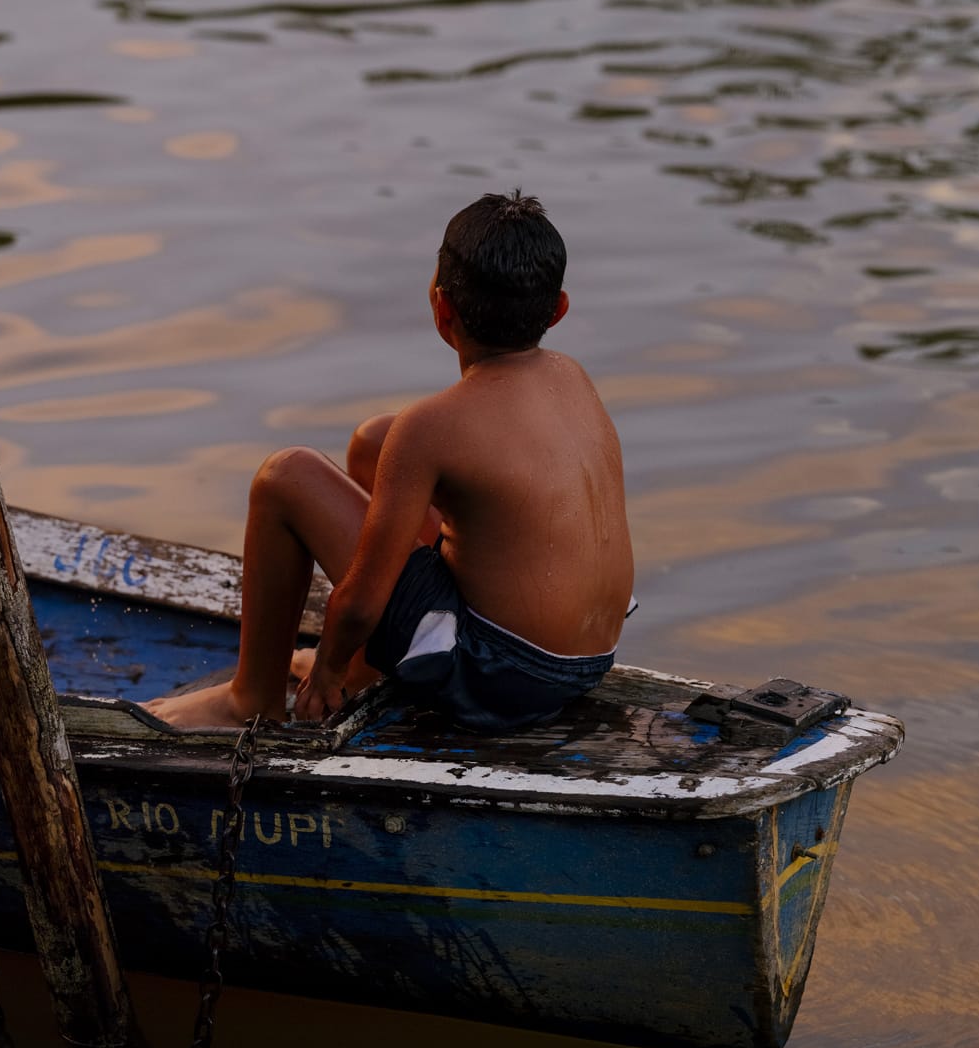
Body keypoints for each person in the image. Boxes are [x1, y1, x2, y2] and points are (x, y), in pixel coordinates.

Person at [145, 191, 635, 732]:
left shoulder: (431, 426)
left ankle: (249, 701)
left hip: (502, 676)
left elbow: (358, 604)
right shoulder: (573, 378)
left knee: (287, 475)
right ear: (559, 309)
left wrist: (327, 669)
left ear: (440, 305)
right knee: (376, 442)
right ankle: (369, 669)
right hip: (589, 659)